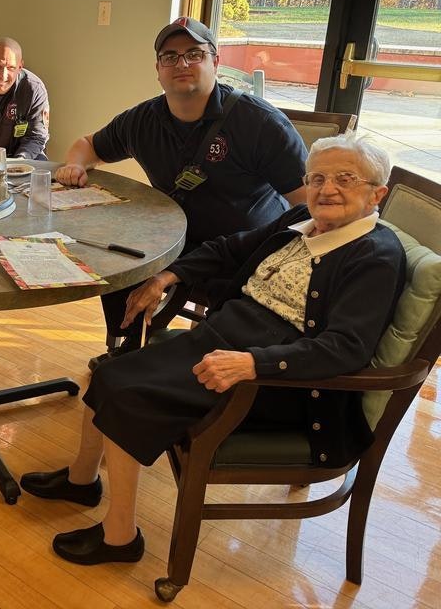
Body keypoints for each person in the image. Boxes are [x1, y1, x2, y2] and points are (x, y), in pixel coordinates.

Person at [21, 134, 404, 566]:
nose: (326, 189)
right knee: (109, 370)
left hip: (279, 382)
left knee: (130, 395)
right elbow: (231, 247)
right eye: (317, 178)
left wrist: (253, 363)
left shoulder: (374, 256)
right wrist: (168, 276)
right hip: (224, 340)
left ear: (377, 193)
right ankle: (82, 480)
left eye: (345, 179)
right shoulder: (302, 220)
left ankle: (120, 537)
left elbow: (346, 348)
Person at [57, 17, 308, 358]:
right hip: (175, 240)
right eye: (170, 56)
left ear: (215, 62)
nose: (182, 64)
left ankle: (196, 362)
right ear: (158, 70)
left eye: (194, 54)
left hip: (243, 252)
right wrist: (75, 164)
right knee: (117, 256)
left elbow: (308, 205)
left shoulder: (261, 123)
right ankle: (124, 349)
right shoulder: (143, 120)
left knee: (218, 342)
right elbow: (88, 144)